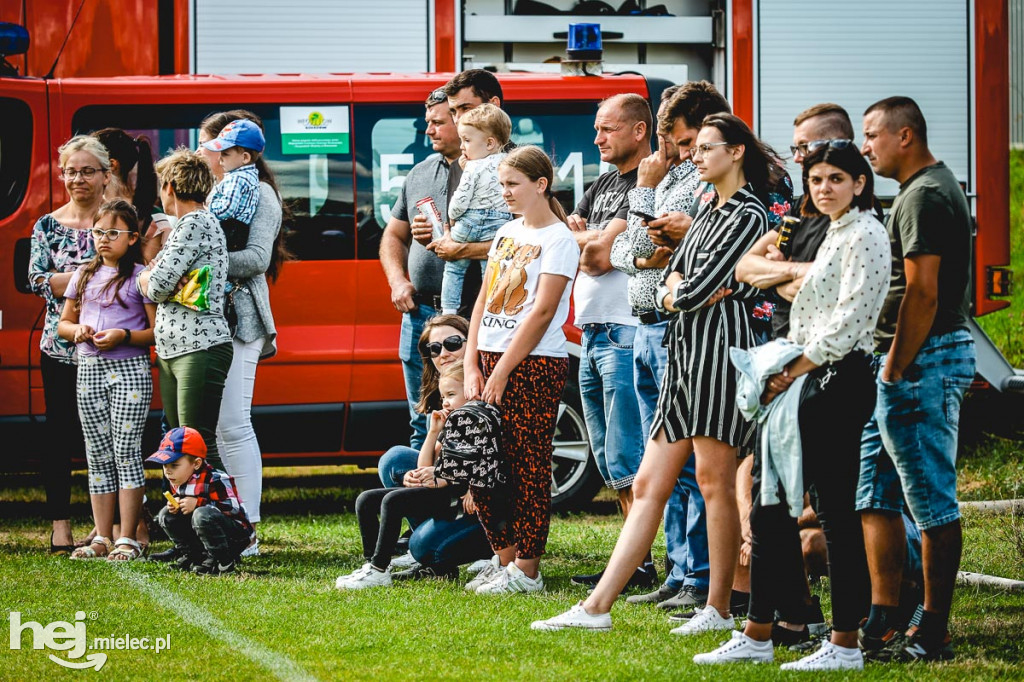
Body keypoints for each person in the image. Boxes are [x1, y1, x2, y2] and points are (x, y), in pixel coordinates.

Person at [532, 113, 773, 634]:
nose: (693, 156)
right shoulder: (708, 207)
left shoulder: (748, 213)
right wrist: (677, 282)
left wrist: (677, 285)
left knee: (714, 484)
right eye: (694, 147)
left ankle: (720, 607)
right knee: (647, 483)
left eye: (706, 147)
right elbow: (664, 266)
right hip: (683, 351)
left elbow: (689, 287)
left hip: (717, 351)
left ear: (735, 153)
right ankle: (597, 607)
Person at [694, 142, 890, 670]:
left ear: (859, 184)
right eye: (816, 179)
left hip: (833, 380)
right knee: (768, 508)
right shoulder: (828, 233)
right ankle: (758, 633)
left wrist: (790, 371)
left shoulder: (867, 234)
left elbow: (848, 323)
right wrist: (790, 286)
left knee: (834, 512)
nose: (823, 188)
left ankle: (845, 643)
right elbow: (771, 284)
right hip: (793, 375)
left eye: (835, 179)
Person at [856, 96, 976, 662]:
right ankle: (884, 616)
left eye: (873, 135)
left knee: (929, 498)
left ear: (906, 136)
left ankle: (934, 629)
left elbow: (923, 291)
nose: (865, 147)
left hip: (921, 362)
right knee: (874, 489)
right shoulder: (916, 191)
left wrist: (896, 366)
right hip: (904, 362)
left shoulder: (925, 194)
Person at [462, 145, 580, 594]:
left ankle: (527, 570)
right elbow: (483, 300)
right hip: (491, 359)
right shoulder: (506, 232)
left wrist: (504, 369)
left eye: (512, 184)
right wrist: (473, 361)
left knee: (526, 465)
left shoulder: (559, 240)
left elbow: (544, 309)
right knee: (483, 462)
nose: (505, 192)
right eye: (502, 184)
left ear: (540, 184)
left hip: (532, 362)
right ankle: (504, 559)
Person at [611, 85, 710, 612]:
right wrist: (648, 247)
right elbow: (626, 250)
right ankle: (676, 569)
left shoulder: (694, 180)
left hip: (676, 327)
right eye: (674, 139)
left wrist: (645, 196)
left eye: (678, 138)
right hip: (644, 325)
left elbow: (646, 247)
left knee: (685, 457)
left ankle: (699, 571)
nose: (672, 148)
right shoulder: (667, 175)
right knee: (660, 458)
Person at [567, 94, 655, 591]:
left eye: (608, 129)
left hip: (624, 331)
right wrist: (587, 236)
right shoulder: (603, 183)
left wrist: (589, 236)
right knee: (605, 456)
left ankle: (639, 565)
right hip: (593, 330)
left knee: (626, 455)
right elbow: (565, 236)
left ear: (639, 131)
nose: (598, 139)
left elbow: (598, 258)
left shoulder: (646, 183)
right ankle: (634, 561)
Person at [194, 109, 288, 558]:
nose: (206, 155)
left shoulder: (261, 194)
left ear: (238, 154)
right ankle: (222, 520)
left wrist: (196, 258)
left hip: (241, 320)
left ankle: (247, 528)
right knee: (215, 427)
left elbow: (256, 259)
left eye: (214, 148)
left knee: (233, 426)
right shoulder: (220, 193)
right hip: (209, 319)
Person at [379, 85, 494, 449]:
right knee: (422, 417)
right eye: (427, 121)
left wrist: (461, 247)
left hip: (472, 311)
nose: (428, 130)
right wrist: (398, 281)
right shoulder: (419, 173)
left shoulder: (491, 169)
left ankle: (467, 501)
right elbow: (393, 236)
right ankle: (424, 501)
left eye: (437, 122)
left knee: (473, 413)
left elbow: (520, 239)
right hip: (422, 314)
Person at [58, 200, 156, 561]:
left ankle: (127, 537)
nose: (103, 239)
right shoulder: (83, 274)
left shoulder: (139, 277)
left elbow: (154, 331)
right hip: (89, 370)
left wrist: (123, 336)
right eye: (98, 232)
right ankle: (101, 536)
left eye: (112, 233)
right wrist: (78, 330)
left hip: (129, 371)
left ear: (131, 238)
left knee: (126, 451)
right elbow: (63, 324)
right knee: (97, 454)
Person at [28, 135, 108, 553]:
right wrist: (91, 277)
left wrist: (69, 280)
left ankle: (107, 524)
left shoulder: (118, 221)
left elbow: (131, 275)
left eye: (87, 171)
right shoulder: (46, 225)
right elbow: (38, 281)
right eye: (71, 171)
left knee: (109, 435)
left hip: (111, 347)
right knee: (59, 435)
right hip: (59, 349)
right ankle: (60, 524)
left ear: (105, 175)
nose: (78, 178)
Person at [335, 361, 478, 588]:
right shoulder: (451, 425)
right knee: (366, 500)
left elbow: (486, 462)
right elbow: (424, 466)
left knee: (394, 501)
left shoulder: (478, 424)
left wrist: (473, 489)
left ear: (471, 393)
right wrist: (433, 433)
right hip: (439, 492)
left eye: (451, 394)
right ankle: (374, 564)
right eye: (443, 397)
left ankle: (379, 570)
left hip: (457, 499)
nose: (446, 402)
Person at [372, 315, 492, 577]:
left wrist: (475, 487)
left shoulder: (487, 390)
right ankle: (430, 545)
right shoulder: (445, 401)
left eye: (452, 343)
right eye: (434, 348)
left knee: (423, 546)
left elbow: (495, 451)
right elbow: (431, 463)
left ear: (471, 343)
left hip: (488, 497)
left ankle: (486, 551)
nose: (443, 353)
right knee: (395, 460)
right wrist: (431, 441)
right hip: (452, 497)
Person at [138, 148, 233, 471]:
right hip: (174, 348)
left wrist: (148, 277)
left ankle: (228, 516)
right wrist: (152, 277)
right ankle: (185, 518)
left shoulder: (193, 223)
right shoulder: (189, 224)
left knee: (196, 443)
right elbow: (158, 279)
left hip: (199, 346)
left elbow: (157, 284)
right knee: (179, 445)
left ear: (170, 187)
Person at [149, 426, 253, 575]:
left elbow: (232, 509)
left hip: (233, 536)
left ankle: (223, 562)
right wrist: (178, 506)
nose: (168, 471)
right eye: (165, 465)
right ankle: (194, 556)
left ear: (196, 463)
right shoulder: (179, 478)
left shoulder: (216, 479)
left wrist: (198, 503)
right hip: (205, 532)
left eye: (174, 465)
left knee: (202, 515)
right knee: (166, 514)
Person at [442, 104, 514, 314]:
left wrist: (453, 216)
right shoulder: (509, 163)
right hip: (500, 222)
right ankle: (491, 308)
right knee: (491, 268)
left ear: (490, 143)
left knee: (454, 268)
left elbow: (461, 199)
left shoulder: (473, 167)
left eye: (467, 140)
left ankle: (448, 310)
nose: (462, 146)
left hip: (470, 221)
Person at [90, 127, 171, 263]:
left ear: (112, 165)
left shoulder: (155, 219)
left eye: (88, 167)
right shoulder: (86, 209)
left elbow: (145, 273)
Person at [201, 118, 266, 252]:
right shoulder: (251, 175)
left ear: (245, 158)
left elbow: (227, 210)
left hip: (229, 229)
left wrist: (207, 208)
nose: (220, 158)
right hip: (239, 232)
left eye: (225, 154)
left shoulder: (235, 179)